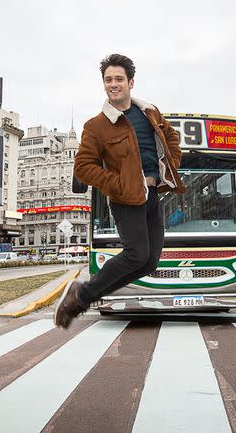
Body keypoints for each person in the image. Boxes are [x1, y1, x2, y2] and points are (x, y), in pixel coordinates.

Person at [53, 54, 186, 328]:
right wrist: (119, 185)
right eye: (108, 80)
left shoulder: (150, 112)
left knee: (149, 263)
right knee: (136, 254)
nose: (113, 84)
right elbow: (84, 168)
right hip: (126, 199)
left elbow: (171, 137)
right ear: (104, 84)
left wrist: (170, 164)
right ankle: (82, 296)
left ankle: (84, 294)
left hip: (152, 196)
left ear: (131, 82)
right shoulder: (96, 126)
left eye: (119, 79)